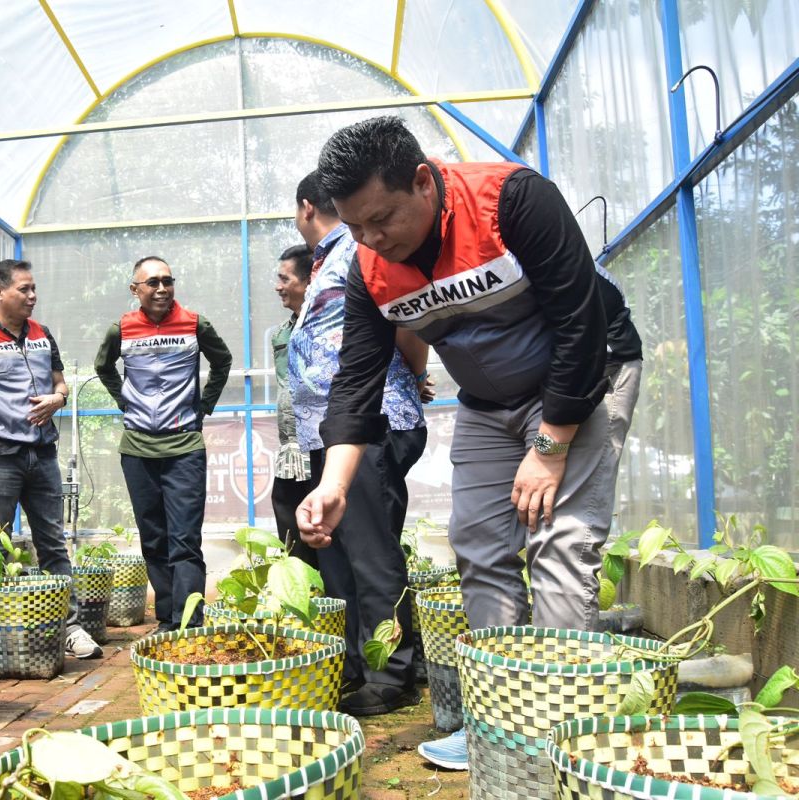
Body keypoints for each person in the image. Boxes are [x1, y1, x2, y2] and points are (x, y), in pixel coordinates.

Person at [296, 115, 641, 768]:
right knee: (479, 544)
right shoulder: (371, 266)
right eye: (355, 227)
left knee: (560, 543)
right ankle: (500, 722)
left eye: (381, 219)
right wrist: (334, 485)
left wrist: (549, 446)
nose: (369, 240)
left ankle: (565, 734)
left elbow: (579, 321)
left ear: (423, 182)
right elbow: (357, 379)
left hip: (583, 380)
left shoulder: (513, 200)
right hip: (489, 402)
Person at [289, 171, 430, 717]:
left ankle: (394, 675)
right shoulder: (327, 258)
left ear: (307, 208)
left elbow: (406, 322)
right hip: (336, 432)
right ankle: (357, 664)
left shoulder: (358, 249)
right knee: (341, 558)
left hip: (371, 425)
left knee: (372, 556)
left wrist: (410, 379)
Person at [0, 259, 103, 659]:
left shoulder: (42, 334)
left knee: (53, 543)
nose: (32, 296)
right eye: (24, 289)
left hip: (42, 455)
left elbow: (60, 383)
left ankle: (69, 628)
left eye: (34, 289)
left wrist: (59, 398)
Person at [94, 257, 232, 632]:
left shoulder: (194, 323)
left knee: (185, 540)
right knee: (154, 539)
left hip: (184, 447)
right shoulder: (121, 329)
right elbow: (103, 366)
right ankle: (168, 620)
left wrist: (204, 406)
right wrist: (125, 401)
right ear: (134, 289)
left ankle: (190, 623)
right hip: (137, 450)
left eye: (167, 281)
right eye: (152, 282)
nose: (161, 289)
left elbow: (223, 362)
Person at [269, 245, 318, 568]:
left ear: (308, 280)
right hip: (290, 450)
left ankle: (338, 606)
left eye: (284, 278)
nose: (278, 286)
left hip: (321, 447)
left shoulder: (326, 327)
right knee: (288, 521)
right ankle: (306, 599)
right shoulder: (282, 333)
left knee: (323, 528)